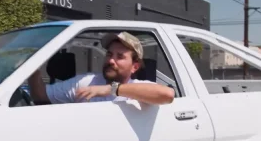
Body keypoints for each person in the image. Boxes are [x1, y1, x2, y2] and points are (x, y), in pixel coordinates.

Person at [27, 31, 175, 105]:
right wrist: (31, 67)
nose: (111, 60)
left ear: (134, 67)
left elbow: (167, 95)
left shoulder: (140, 90)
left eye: (120, 56)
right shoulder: (86, 83)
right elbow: (41, 96)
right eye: (109, 54)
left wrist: (110, 89)